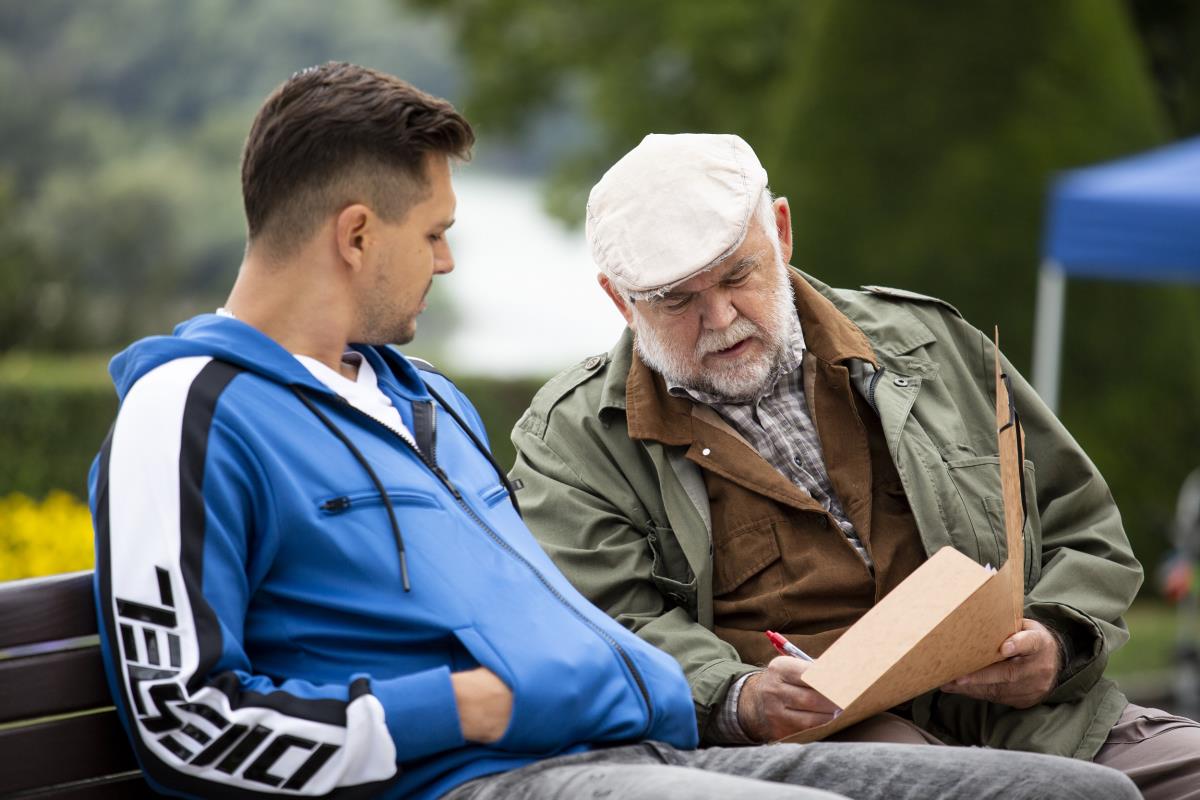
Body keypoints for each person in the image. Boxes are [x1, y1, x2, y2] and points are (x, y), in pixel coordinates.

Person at [89, 66, 1138, 800]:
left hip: (630, 741)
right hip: (482, 772)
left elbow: (557, 615)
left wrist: (662, 698)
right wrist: (462, 704)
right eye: (436, 233)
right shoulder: (190, 405)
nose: (447, 263)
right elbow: (186, 725)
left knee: (1071, 791)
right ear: (357, 235)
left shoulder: (429, 405)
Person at [510, 133, 1200, 799]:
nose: (719, 317)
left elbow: (1080, 522)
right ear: (618, 300)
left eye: (737, 274)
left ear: (780, 232)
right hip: (821, 754)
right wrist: (737, 697)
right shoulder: (571, 440)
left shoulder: (931, 342)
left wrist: (1057, 638)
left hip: (1049, 722)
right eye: (676, 300)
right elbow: (606, 628)